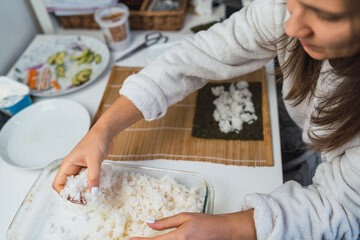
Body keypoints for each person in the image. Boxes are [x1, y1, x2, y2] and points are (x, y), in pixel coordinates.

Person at [53, 0, 360, 238]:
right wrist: (103, 129)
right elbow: (202, 54)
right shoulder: (285, 11)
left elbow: (343, 207)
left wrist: (227, 228)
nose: (293, 28)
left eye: (326, 16)